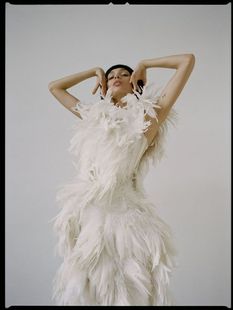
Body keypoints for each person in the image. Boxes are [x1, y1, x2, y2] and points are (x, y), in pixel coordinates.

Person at [48, 54, 195, 306]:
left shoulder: (150, 116)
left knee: (130, 284)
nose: (116, 78)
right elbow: (55, 87)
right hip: (88, 211)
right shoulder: (93, 115)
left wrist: (145, 64)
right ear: (104, 86)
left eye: (123, 75)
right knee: (90, 285)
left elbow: (187, 61)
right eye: (110, 76)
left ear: (135, 82)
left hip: (126, 214)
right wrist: (92, 71)